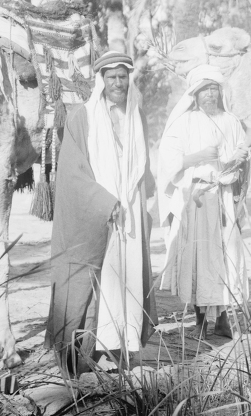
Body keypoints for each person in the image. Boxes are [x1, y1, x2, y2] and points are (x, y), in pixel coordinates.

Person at [45, 51, 156, 376]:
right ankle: (97, 349)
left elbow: (142, 165)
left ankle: (124, 346)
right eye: (112, 77)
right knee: (102, 280)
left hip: (130, 209)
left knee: (130, 279)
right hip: (100, 211)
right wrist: (104, 203)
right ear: (102, 80)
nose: (118, 83)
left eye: (123, 77)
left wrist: (139, 202)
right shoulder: (84, 118)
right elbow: (73, 171)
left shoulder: (138, 114)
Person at [158, 64, 249, 338]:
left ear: (220, 92)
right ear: (194, 95)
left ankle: (222, 319)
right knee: (199, 258)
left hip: (223, 197)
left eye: (214, 89)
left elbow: (243, 155)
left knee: (225, 257)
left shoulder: (232, 122)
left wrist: (240, 163)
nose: (210, 95)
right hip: (196, 199)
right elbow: (169, 161)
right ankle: (200, 322)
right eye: (204, 90)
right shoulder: (184, 123)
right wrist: (199, 157)